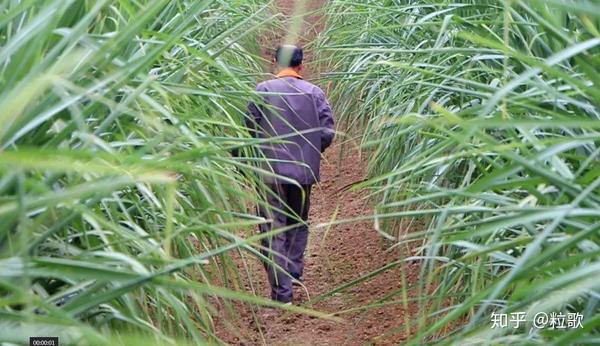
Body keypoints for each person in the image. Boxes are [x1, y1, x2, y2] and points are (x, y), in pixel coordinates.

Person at [247, 45, 335, 304]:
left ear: (275, 62)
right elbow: (327, 131)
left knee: (273, 229)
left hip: (269, 173)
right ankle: (293, 275)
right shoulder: (314, 93)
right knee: (297, 223)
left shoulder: (263, 90)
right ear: (301, 65)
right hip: (303, 174)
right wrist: (309, 151)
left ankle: (282, 292)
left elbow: (248, 127)